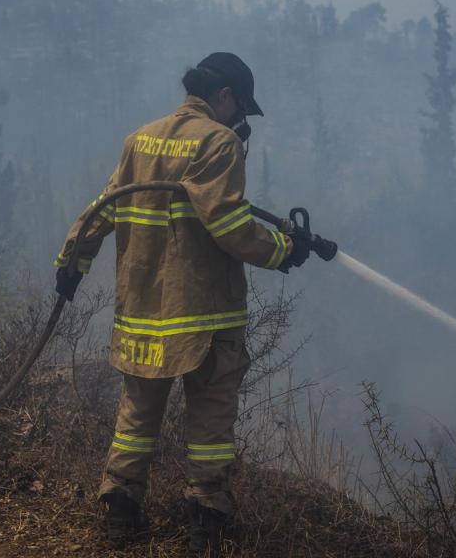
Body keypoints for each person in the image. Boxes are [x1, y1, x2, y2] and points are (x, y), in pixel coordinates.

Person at [54, 52, 310, 556]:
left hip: (144, 311)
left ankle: (121, 511)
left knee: (137, 416)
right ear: (225, 96)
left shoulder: (140, 139)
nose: (242, 121)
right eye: (241, 109)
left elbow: (102, 208)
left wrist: (71, 262)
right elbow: (230, 226)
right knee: (211, 421)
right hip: (204, 316)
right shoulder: (220, 142)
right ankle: (206, 517)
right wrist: (282, 250)